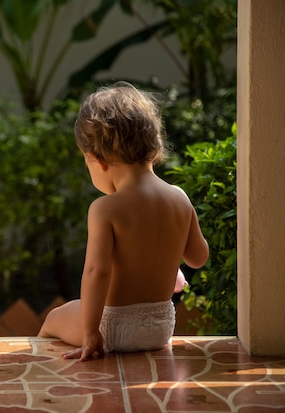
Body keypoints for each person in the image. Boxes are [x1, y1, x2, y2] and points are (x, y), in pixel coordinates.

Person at [37, 82, 209, 361]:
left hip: (112, 329)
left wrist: (91, 331)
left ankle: (42, 365)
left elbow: (97, 272)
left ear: (98, 160)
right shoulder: (179, 198)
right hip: (161, 328)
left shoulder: (105, 209)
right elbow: (198, 258)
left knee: (54, 319)